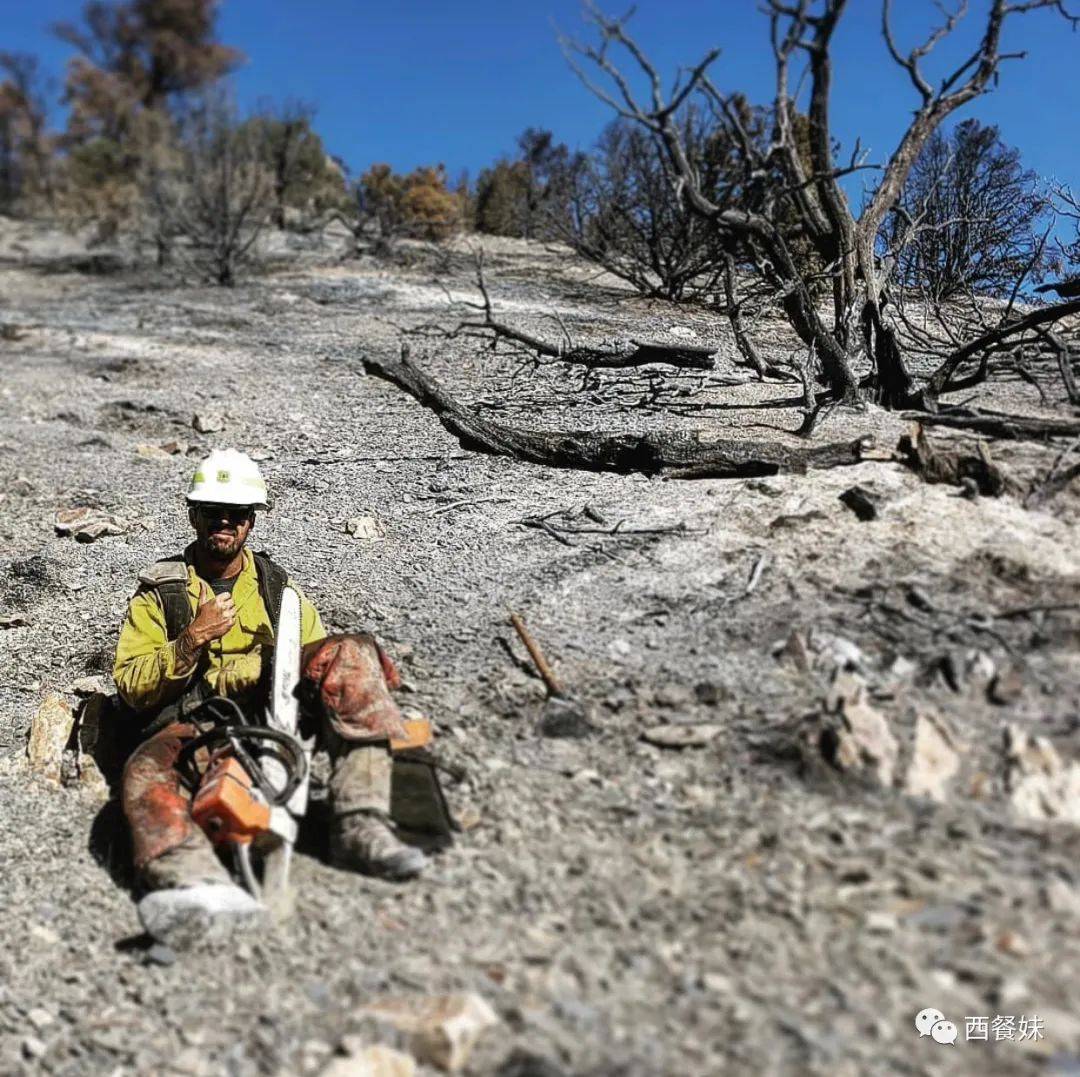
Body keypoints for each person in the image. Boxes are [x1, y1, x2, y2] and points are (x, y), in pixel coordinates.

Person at [114, 449, 426, 935]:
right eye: (213, 511)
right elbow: (132, 687)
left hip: (270, 711)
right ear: (193, 514)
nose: (224, 522)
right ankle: (198, 886)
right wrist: (191, 639)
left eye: (236, 514)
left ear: (251, 522)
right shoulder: (161, 593)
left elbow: (314, 661)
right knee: (144, 776)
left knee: (348, 652)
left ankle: (361, 824)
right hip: (193, 722)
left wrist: (325, 679)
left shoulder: (278, 589)